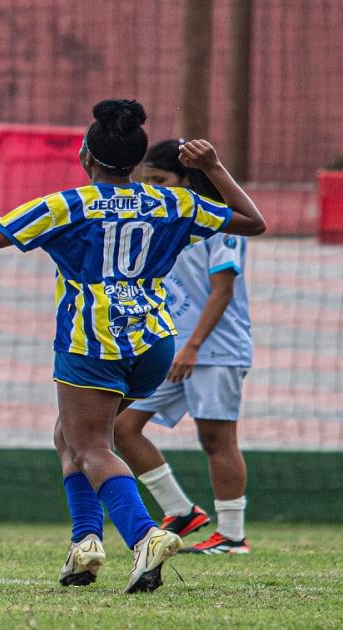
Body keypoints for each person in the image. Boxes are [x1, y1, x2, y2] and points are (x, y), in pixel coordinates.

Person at [0, 100, 265, 593]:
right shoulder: (173, 202)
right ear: (138, 160)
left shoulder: (66, 204)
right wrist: (213, 168)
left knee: (89, 445)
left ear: (85, 156)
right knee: (69, 436)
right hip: (153, 342)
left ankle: (144, 534)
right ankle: (84, 544)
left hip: (92, 340)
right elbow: (252, 222)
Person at [112, 139, 254, 555]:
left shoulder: (217, 223)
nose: (152, 188)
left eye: (160, 180)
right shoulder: (160, 220)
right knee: (122, 427)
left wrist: (192, 346)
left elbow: (222, 291)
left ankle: (232, 536)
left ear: (187, 180)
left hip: (213, 349)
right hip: (169, 348)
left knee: (216, 437)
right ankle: (180, 509)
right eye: (147, 180)